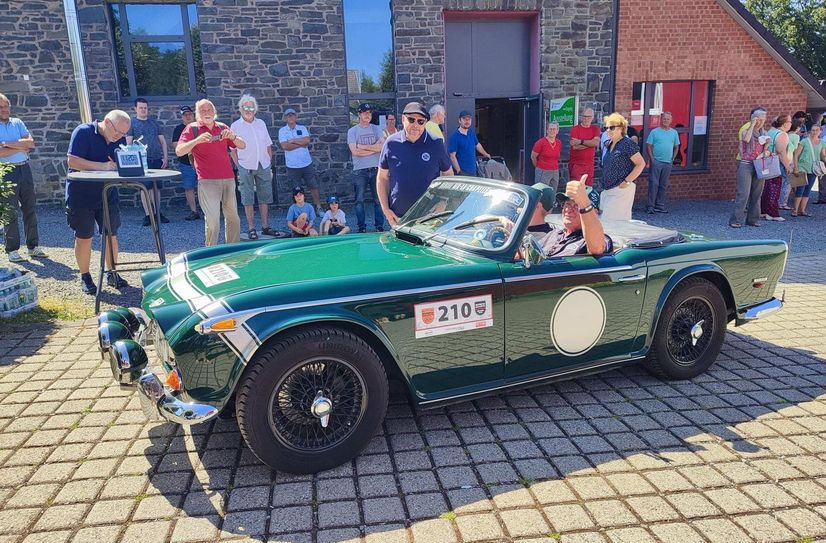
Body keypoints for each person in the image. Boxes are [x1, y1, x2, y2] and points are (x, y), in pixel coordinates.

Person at [66, 110, 131, 294]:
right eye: (117, 132)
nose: (119, 137)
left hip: (107, 192)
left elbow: (119, 162)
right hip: (81, 195)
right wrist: (101, 166)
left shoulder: (118, 138)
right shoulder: (83, 132)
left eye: (123, 134)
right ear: (107, 122)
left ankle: (112, 273)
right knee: (84, 237)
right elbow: (72, 161)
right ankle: (85, 276)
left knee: (112, 235)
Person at [176, 99, 245, 246]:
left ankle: (234, 251)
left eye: (209, 109)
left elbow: (242, 145)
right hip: (207, 181)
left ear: (214, 112)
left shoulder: (222, 127)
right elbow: (179, 151)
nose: (206, 112)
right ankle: (210, 252)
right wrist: (197, 140)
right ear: (197, 114)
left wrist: (232, 137)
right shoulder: (192, 129)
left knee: (233, 218)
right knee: (213, 220)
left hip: (228, 179)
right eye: (203, 110)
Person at [377, 102, 453, 226]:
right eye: (411, 120)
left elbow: (448, 173)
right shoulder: (391, 143)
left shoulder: (436, 143)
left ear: (425, 123)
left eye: (420, 121)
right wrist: (386, 210)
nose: (415, 125)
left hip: (429, 218)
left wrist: (443, 201)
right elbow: (382, 177)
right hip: (397, 218)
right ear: (403, 119)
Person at [0, 93, 46, 263]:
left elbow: (31, 143)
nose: (5, 110)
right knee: (10, 211)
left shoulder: (17, 122)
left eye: (7, 107)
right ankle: (12, 250)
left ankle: (33, 247)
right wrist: (20, 146)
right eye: (1, 107)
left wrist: (6, 144)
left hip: (24, 170)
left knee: (30, 209)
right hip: (6, 171)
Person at [230, 94, 274, 240]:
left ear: (255, 109)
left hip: (263, 164)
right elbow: (233, 150)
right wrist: (239, 166)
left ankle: (265, 226)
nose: (248, 110)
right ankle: (251, 228)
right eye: (245, 107)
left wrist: (268, 161)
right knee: (247, 198)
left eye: (251, 107)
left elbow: (268, 145)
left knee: (264, 197)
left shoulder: (261, 123)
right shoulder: (235, 126)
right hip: (245, 165)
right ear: (240, 109)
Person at [537, 178, 612, 257]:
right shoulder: (553, 234)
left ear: (594, 212)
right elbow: (529, 255)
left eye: (577, 206)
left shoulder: (596, 240)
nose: (568, 210)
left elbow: (597, 249)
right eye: (567, 204)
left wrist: (584, 204)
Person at [126, 97, 169, 226]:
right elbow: (128, 143)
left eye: (145, 108)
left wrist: (165, 157)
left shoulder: (154, 122)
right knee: (145, 188)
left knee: (156, 188)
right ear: (135, 109)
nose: (144, 110)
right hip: (142, 161)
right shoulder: (131, 124)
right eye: (141, 108)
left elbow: (162, 141)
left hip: (156, 159)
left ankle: (157, 213)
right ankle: (148, 215)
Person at [347, 103, 385, 233]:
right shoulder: (352, 131)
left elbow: (382, 147)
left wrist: (362, 147)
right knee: (359, 201)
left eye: (369, 112)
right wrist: (373, 148)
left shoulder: (377, 128)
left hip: (376, 169)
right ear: (359, 114)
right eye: (364, 113)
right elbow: (354, 151)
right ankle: (361, 227)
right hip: (360, 171)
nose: (367, 115)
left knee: (378, 199)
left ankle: (379, 226)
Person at [599, 112, 645, 221]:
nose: (608, 130)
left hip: (620, 189)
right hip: (607, 189)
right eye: (606, 127)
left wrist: (627, 181)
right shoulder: (609, 143)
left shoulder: (627, 143)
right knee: (606, 222)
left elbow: (640, 163)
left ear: (621, 128)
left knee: (612, 223)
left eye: (612, 127)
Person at [730, 107, 769, 228]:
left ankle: (753, 219)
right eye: (759, 119)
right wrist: (752, 124)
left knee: (757, 193)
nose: (761, 121)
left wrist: (763, 154)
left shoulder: (765, 133)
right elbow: (746, 140)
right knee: (743, 193)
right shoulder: (745, 129)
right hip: (746, 164)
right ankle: (736, 220)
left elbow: (767, 150)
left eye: (763, 119)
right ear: (753, 118)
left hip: (759, 164)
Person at [279, 108, 321, 214]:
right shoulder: (282, 131)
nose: (291, 117)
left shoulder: (302, 128)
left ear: (296, 117)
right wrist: (300, 143)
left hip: (306, 163)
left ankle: (318, 207)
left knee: (313, 186)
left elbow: (307, 141)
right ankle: (299, 211)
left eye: (292, 115)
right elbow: (285, 146)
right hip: (292, 165)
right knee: (297, 189)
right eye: (288, 115)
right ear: (285, 118)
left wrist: (293, 141)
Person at [645, 111, 680, 214]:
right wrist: (652, 159)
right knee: (653, 184)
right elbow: (649, 146)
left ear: (671, 120)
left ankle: (659, 206)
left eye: (668, 119)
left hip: (667, 163)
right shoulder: (654, 132)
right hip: (656, 162)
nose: (666, 120)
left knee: (663, 185)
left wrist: (672, 159)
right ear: (661, 119)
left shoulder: (674, 133)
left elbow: (676, 147)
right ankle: (650, 206)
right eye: (664, 119)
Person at [760, 115, 791, 222]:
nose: (791, 124)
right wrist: (788, 167)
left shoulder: (771, 132)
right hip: (776, 165)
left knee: (766, 189)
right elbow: (781, 152)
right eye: (790, 121)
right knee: (775, 190)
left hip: (767, 163)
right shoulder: (782, 135)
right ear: (785, 123)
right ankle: (773, 213)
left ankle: (764, 211)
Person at [172, 105, 201, 221]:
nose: (188, 116)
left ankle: (207, 209)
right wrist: (191, 147)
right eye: (185, 115)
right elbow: (175, 145)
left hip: (201, 162)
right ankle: (194, 211)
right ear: (182, 117)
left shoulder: (199, 127)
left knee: (205, 186)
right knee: (189, 187)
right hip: (186, 163)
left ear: (193, 115)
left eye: (190, 114)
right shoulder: (178, 129)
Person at [792, 123, 825, 217]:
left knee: (807, 190)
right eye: (813, 130)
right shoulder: (805, 141)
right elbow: (796, 154)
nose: (814, 132)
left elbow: (822, 155)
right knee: (800, 189)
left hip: (814, 169)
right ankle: (795, 210)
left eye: (817, 130)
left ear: (820, 131)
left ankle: (802, 210)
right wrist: (796, 167)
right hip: (802, 168)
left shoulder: (822, 143)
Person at [448, 110, 491, 176]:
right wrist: (459, 171)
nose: (467, 121)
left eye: (469, 119)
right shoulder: (455, 136)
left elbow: (477, 144)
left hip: (473, 171)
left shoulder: (471, 132)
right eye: (464, 119)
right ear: (459, 120)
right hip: (462, 173)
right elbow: (452, 156)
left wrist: (485, 154)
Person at [568, 108, 601, 186]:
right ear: (581, 117)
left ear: (593, 117)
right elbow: (575, 147)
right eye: (584, 116)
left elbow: (596, 143)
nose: (586, 119)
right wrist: (590, 144)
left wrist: (580, 141)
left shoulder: (595, 129)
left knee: (588, 189)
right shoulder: (575, 129)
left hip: (589, 165)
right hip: (576, 164)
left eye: (589, 117)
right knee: (576, 189)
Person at [531, 122, 562, 196]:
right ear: (547, 130)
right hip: (543, 170)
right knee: (542, 194)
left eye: (554, 129)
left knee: (552, 193)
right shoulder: (541, 142)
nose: (552, 131)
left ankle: (551, 207)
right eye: (550, 129)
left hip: (555, 171)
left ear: (557, 131)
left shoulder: (558, 142)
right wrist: (539, 168)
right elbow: (533, 157)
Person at [782, 118, 803, 211]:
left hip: (783, 159)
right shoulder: (796, 137)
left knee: (781, 182)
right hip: (790, 160)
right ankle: (783, 203)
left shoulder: (785, 134)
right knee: (788, 183)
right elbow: (795, 151)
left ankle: (778, 201)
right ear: (797, 127)